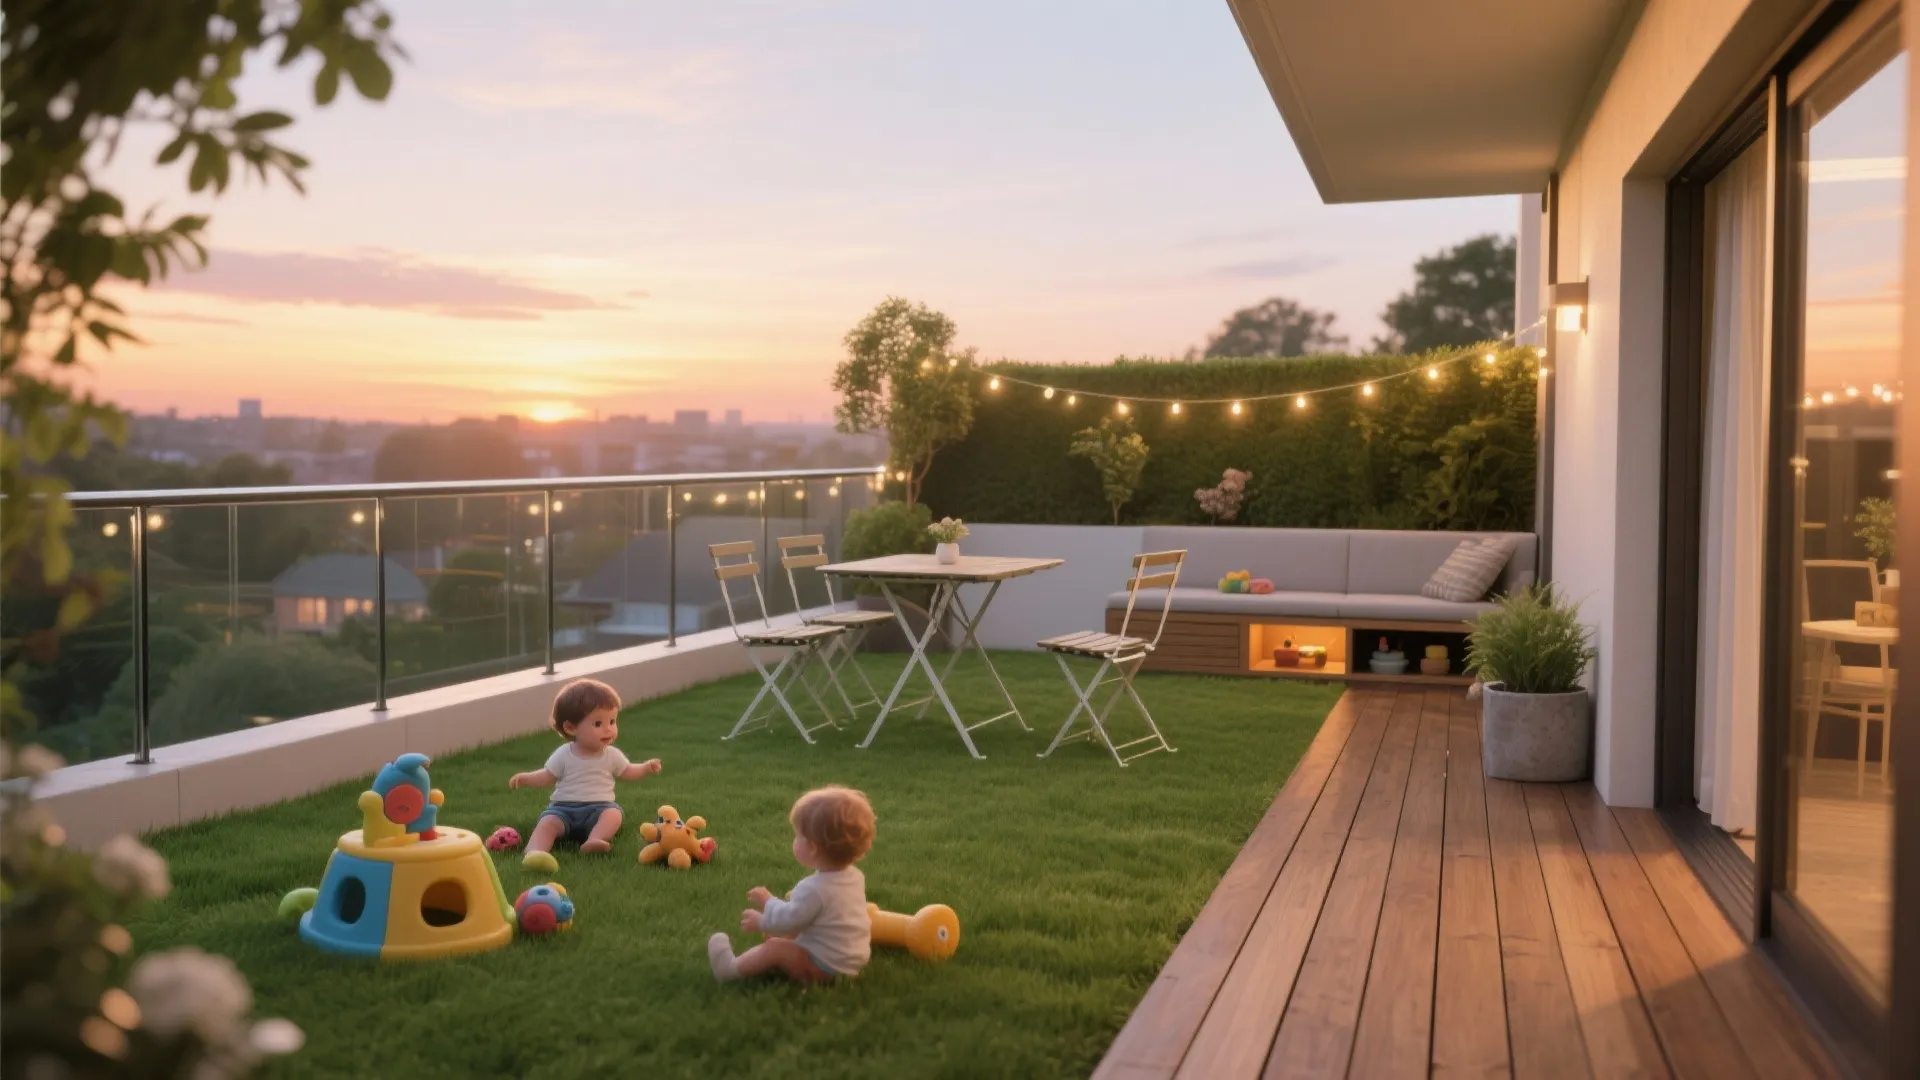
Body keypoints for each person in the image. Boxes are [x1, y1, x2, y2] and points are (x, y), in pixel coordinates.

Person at [709, 785, 875, 983]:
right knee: (787, 936)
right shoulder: (854, 877)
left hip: (825, 966)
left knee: (775, 948)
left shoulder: (815, 890)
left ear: (812, 848)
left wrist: (765, 911)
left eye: (798, 836)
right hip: (849, 960)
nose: (794, 840)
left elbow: (790, 919)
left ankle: (730, 970)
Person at [507, 679, 660, 872]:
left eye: (612, 721)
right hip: (563, 809)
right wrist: (527, 778)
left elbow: (628, 771)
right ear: (571, 728)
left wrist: (646, 767)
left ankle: (595, 839)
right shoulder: (564, 753)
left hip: (599, 809)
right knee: (547, 823)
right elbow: (547, 776)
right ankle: (534, 853)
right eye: (598, 723)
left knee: (613, 815)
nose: (608, 729)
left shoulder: (611, 755)